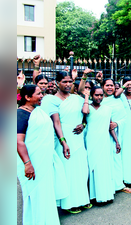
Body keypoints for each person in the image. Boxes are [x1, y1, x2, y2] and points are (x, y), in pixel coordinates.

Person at [40, 71, 91, 213]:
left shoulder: (77, 99)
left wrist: (83, 125)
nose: (68, 84)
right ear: (57, 83)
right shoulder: (51, 100)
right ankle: (69, 203)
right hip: (63, 138)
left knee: (80, 169)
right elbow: (56, 123)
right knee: (67, 170)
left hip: (78, 136)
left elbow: (85, 116)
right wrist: (64, 142)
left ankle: (81, 199)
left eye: (70, 81)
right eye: (64, 81)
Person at [17, 85, 60, 225]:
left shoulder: (37, 111)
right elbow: (18, 141)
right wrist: (27, 164)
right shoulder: (21, 114)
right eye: (38, 94)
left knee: (44, 192)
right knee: (35, 194)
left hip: (43, 160)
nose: (42, 96)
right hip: (32, 162)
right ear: (27, 97)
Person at [83, 86, 120, 204]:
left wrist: (117, 141)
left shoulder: (108, 109)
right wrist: (86, 97)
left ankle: (106, 195)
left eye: (101, 95)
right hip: (92, 140)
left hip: (104, 140)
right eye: (96, 95)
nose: (99, 97)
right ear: (92, 95)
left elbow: (110, 126)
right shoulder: (87, 107)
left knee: (104, 167)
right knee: (94, 167)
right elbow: (84, 114)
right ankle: (94, 196)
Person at [98, 78, 131, 194]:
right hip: (106, 134)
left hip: (119, 131)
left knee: (117, 159)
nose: (109, 88)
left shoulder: (118, 99)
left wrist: (117, 123)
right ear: (102, 86)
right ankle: (108, 185)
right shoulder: (99, 100)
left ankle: (119, 184)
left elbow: (124, 117)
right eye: (107, 85)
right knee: (107, 160)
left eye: (112, 85)